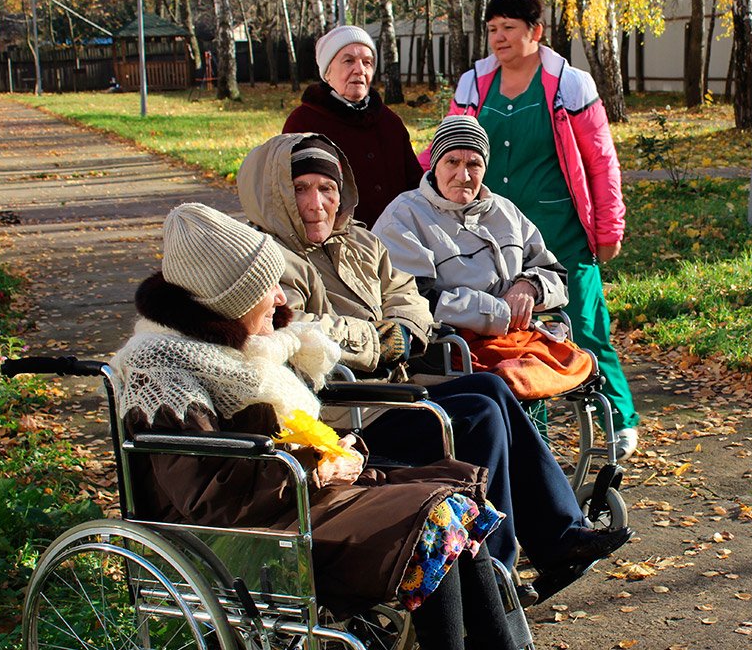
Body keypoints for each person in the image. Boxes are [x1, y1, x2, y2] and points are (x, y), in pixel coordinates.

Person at [237, 133, 633, 604]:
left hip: (389, 390)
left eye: (328, 188)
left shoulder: (361, 243)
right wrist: (380, 339)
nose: (317, 203)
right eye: (302, 188)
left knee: (489, 388)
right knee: (478, 417)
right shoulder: (266, 259)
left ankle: (560, 536)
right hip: (339, 414)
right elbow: (305, 333)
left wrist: (400, 331)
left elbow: (410, 304)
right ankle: (497, 571)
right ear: (277, 193)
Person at [110, 202, 516, 650]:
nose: (282, 298)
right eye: (268, 288)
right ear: (231, 300)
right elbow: (212, 499)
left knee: (459, 508)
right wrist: (317, 467)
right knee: (438, 520)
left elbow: (285, 438)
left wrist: (336, 449)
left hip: (290, 505)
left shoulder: (239, 349)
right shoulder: (162, 370)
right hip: (241, 538)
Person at [429, 0, 639, 459]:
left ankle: (619, 418)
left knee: (584, 323)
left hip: (559, 228)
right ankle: (534, 433)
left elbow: (601, 160)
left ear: (535, 32)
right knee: (513, 332)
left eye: (508, 28)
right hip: (493, 235)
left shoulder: (569, 84)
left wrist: (609, 229)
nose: (498, 38)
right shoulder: (474, 85)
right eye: (492, 30)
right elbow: (445, 150)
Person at [376, 117, 592, 397]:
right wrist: (500, 311)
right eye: (452, 162)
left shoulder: (505, 211)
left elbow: (556, 275)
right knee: (515, 377)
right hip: (452, 346)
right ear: (435, 165)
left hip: (518, 337)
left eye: (473, 164)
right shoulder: (403, 217)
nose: (463, 175)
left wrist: (530, 286)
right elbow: (417, 301)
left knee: (574, 362)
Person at [283, 25, 421, 226]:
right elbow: (288, 195)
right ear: (327, 72)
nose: (360, 70)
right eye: (349, 61)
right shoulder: (303, 123)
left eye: (367, 62)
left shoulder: (390, 122)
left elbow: (414, 185)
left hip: (396, 241)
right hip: (333, 245)